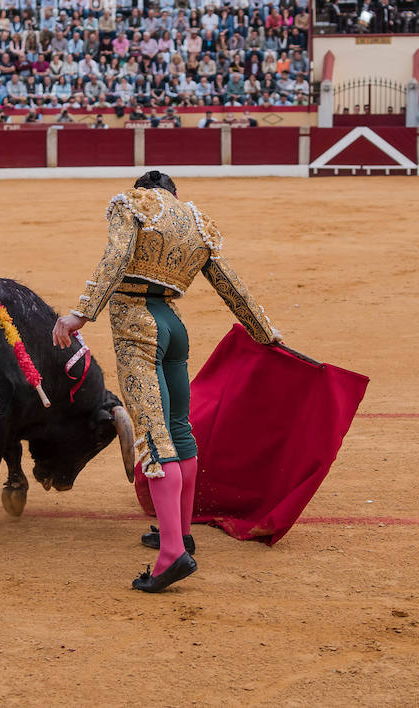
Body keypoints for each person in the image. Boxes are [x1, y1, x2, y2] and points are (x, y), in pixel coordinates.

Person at [52, 171, 281, 593]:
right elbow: (230, 283)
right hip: (173, 327)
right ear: (173, 194)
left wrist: (81, 313)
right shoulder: (195, 222)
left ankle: (172, 552)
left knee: (155, 439)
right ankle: (180, 531)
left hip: (139, 326)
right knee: (179, 431)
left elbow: (117, 255)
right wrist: (265, 332)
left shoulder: (134, 205)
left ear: (144, 190)